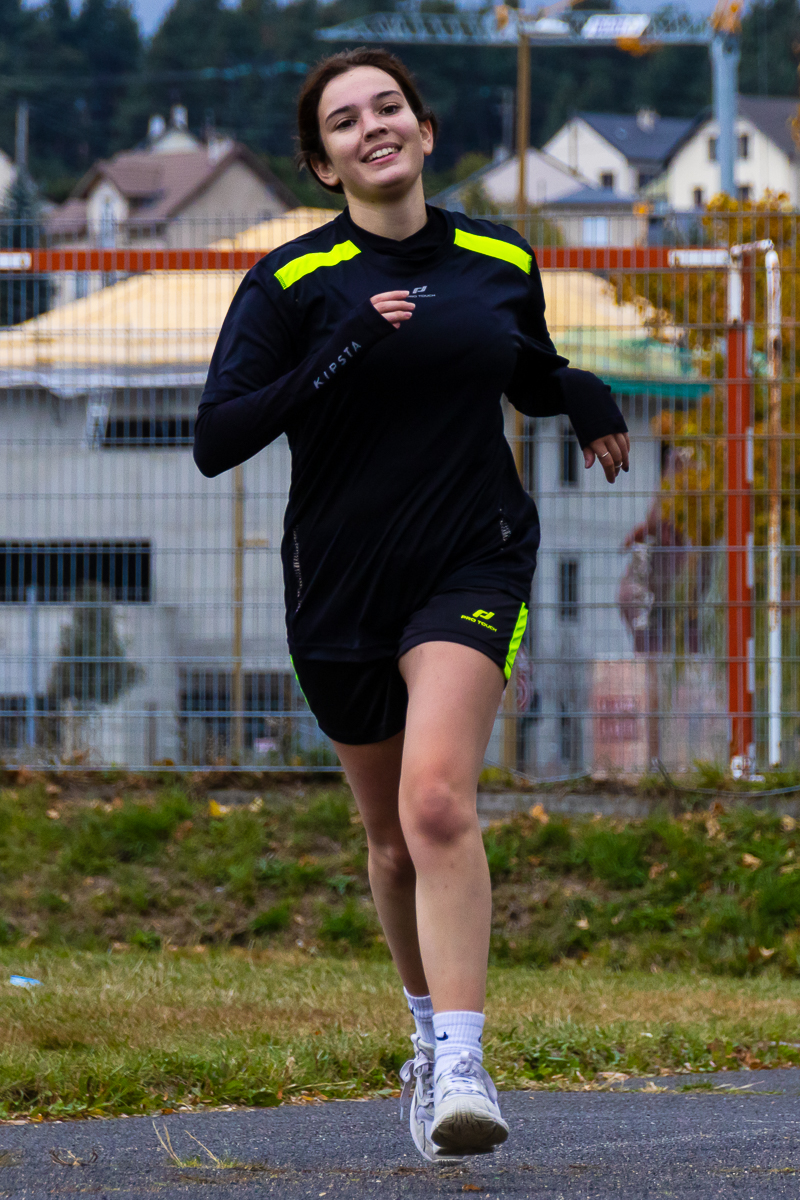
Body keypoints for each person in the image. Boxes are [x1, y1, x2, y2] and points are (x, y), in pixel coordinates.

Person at [193, 46, 630, 1160]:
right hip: (340, 586)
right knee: (390, 842)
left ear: (425, 131)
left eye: (388, 107)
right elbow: (217, 438)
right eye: (345, 120)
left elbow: (519, 364)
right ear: (321, 162)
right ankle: (427, 1035)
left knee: (437, 805)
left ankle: (467, 1066)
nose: (372, 126)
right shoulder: (291, 284)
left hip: (472, 561)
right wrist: (337, 353)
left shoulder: (498, 255)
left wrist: (577, 393)